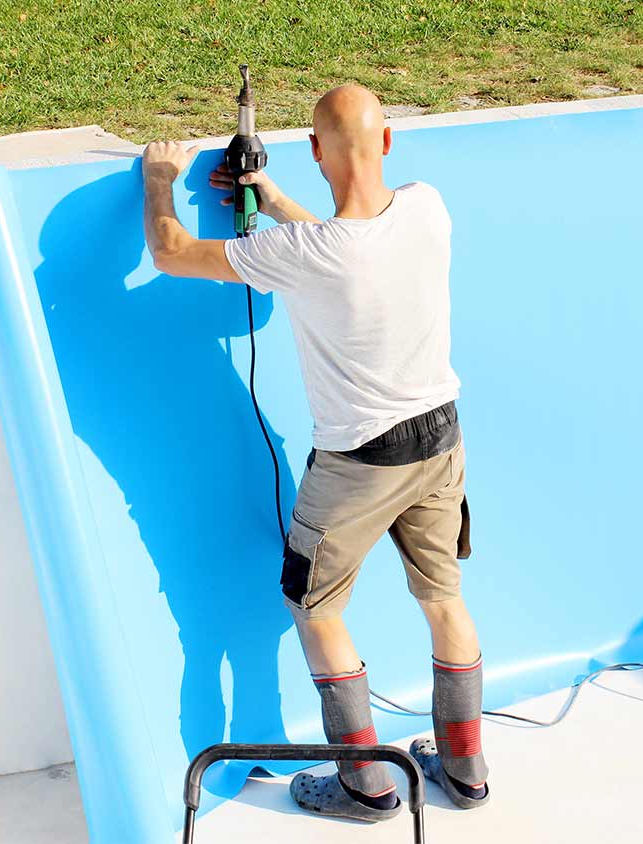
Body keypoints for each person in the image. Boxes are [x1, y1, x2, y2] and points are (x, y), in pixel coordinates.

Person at [140, 83, 489, 822]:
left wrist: (160, 181)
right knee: (444, 599)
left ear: (314, 151)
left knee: (315, 607)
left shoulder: (304, 251)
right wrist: (267, 195)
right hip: (440, 442)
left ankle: (365, 787)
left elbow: (170, 252)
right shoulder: (429, 207)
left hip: (360, 464)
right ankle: (465, 772)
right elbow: (345, 251)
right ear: (388, 142)